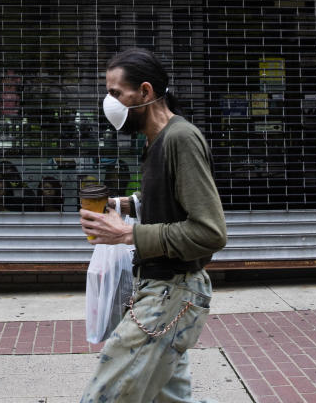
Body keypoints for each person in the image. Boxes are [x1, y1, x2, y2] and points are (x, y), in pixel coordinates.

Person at [79, 47, 227, 403]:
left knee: (105, 396)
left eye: (115, 93)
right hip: (163, 290)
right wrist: (125, 204)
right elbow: (171, 203)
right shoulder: (158, 141)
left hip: (171, 294)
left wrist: (128, 232)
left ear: (144, 92)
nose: (108, 101)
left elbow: (210, 231)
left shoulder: (181, 138)